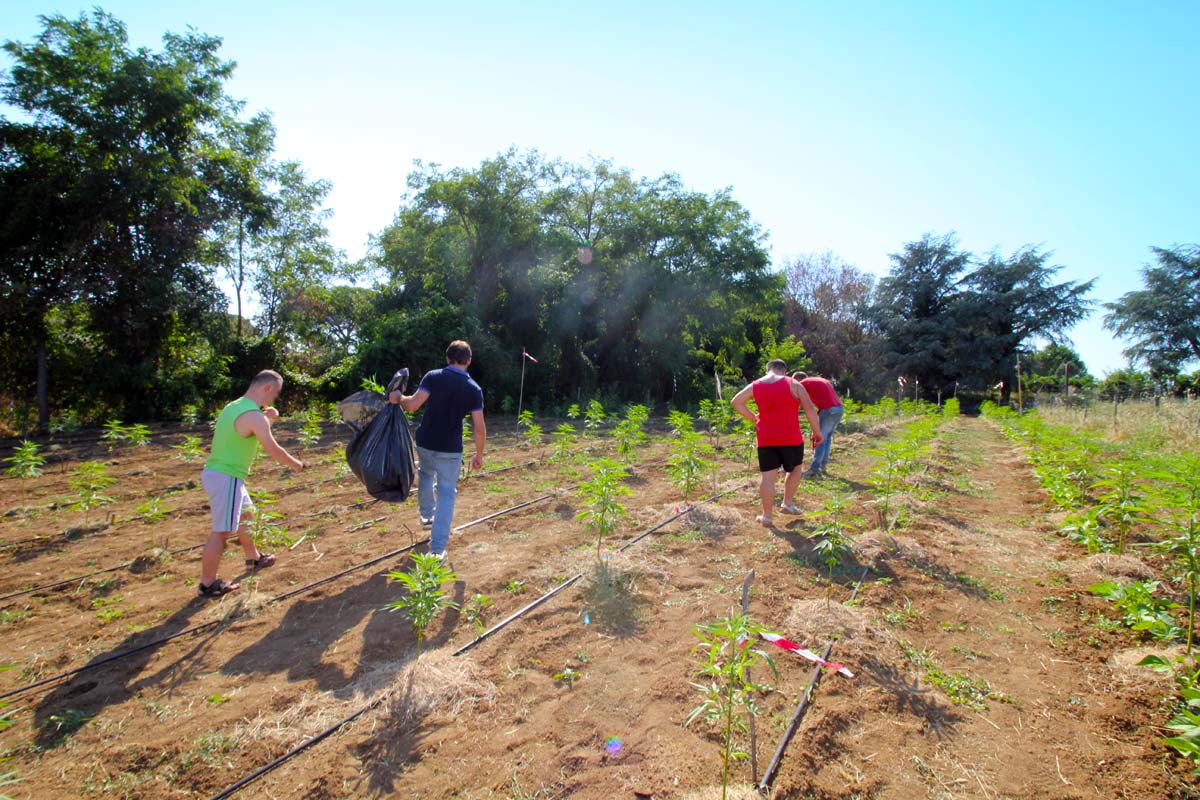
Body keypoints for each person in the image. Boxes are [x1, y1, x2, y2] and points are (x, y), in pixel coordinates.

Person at [199, 370, 304, 597]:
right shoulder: (254, 416)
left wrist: (269, 418)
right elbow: (273, 448)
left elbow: (249, 429)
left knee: (247, 515)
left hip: (224, 475)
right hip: (226, 476)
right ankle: (207, 584)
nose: (274, 398)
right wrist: (295, 463)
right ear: (266, 388)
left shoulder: (235, 406)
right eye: (275, 393)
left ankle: (253, 558)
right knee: (222, 531)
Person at [389, 340, 486, 560]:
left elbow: (412, 405)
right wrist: (479, 454)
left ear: (447, 358)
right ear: (469, 361)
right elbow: (479, 429)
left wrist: (399, 398)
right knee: (446, 494)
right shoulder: (473, 389)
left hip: (426, 442)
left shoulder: (433, 376)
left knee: (425, 474)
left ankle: (426, 516)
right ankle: (437, 548)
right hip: (450, 449)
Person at [731, 359, 823, 527]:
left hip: (766, 438)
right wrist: (817, 433)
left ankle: (767, 516)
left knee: (768, 477)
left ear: (768, 370)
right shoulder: (794, 384)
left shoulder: (755, 385)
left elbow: (736, 402)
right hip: (791, 438)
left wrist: (754, 417)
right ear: (784, 371)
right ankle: (787, 503)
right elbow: (809, 409)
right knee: (796, 469)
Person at [793, 371, 843, 478]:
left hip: (828, 410)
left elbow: (798, 401)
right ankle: (823, 465)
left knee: (819, 438)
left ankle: (814, 469)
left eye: (794, 382)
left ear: (798, 380)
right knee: (827, 438)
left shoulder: (803, 383)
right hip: (838, 409)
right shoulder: (818, 381)